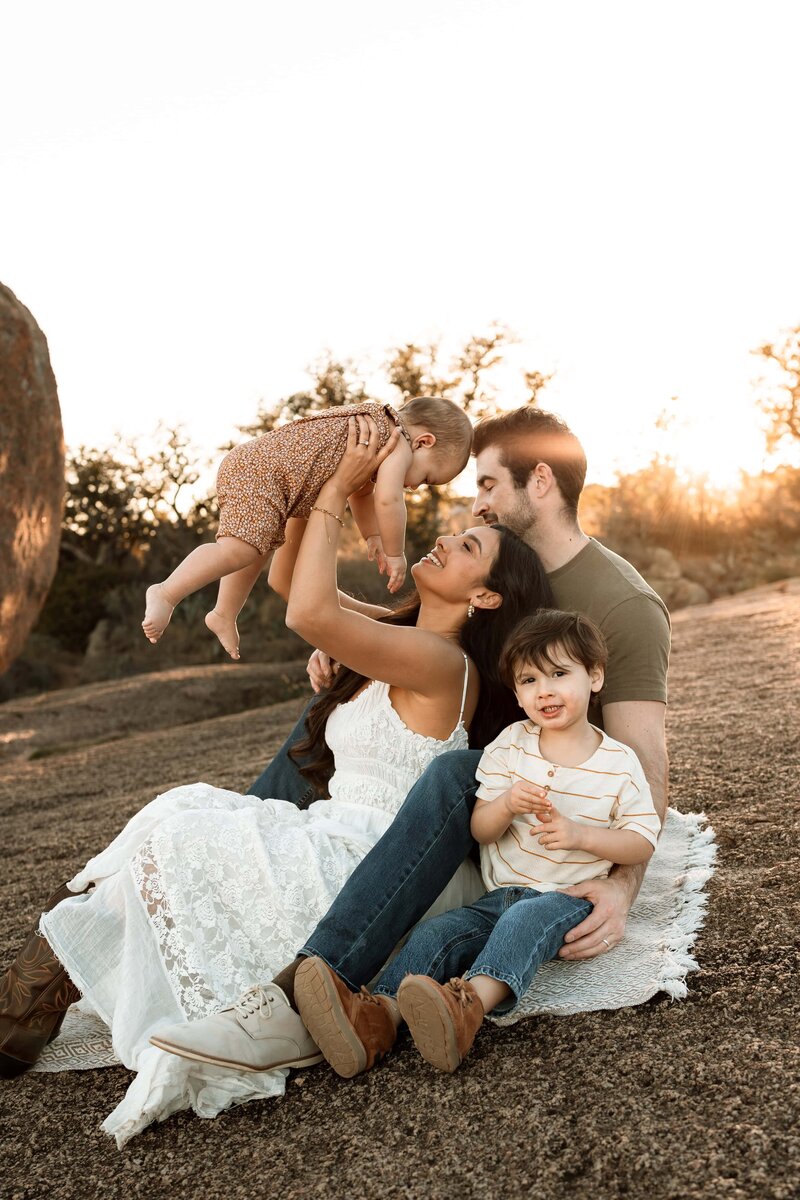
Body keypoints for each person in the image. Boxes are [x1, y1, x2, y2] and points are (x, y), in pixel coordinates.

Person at [0, 415, 551, 1146]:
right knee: (177, 818)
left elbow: (309, 609)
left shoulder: (445, 665)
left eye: (468, 546)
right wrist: (306, 480)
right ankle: (21, 1010)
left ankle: (20, 1013)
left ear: (485, 598)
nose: (444, 537)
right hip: (321, 830)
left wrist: (334, 495)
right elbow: (292, 582)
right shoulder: (401, 634)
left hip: (358, 866)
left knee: (183, 823)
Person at [151, 405, 670, 1078]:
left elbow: (641, 756)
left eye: (486, 486)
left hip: (516, 794)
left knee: (458, 771)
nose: (474, 505)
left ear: (539, 481)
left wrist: (623, 884)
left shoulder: (619, 601)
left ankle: (314, 993)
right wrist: (351, 647)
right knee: (329, 711)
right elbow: (315, 605)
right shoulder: (469, 585)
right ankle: (270, 863)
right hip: (476, 783)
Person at [294, 609, 661, 1077]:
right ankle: (378, 1015)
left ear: (594, 676)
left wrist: (582, 835)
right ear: (516, 692)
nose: (544, 690)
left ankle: (468, 1006)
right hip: (497, 893)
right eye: (528, 680)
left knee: (524, 920)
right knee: (438, 934)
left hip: (565, 897)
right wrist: (506, 804)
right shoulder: (511, 745)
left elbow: (641, 841)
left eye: (558, 674)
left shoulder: (617, 762)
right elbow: (481, 828)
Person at [142, 396, 473, 658]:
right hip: (264, 473)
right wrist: (395, 551)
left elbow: (363, 494)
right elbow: (388, 500)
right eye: (427, 478)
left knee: (255, 546)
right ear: (424, 442)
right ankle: (167, 592)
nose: (415, 487)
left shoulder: (373, 430)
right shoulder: (397, 442)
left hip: (264, 469)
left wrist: (371, 533)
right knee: (238, 549)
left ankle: (224, 612)